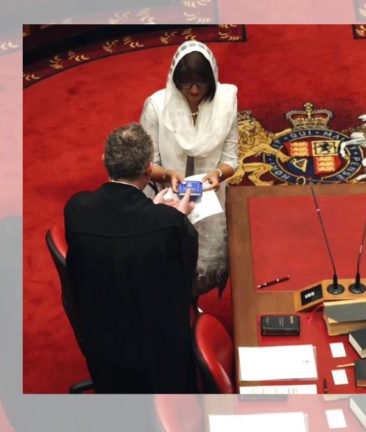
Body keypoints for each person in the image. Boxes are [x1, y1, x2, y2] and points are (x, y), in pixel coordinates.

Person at [64, 123, 199, 393]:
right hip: (156, 350)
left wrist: (154, 211)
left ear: (104, 160)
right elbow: (185, 279)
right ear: (149, 169)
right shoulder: (169, 224)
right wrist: (176, 217)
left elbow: (120, 232)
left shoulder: (76, 208)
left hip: (102, 340)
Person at [140, 40, 237, 296]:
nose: (194, 91)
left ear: (212, 81)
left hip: (209, 199)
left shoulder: (225, 101)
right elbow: (146, 164)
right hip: (165, 196)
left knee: (208, 264)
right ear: (176, 82)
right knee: (166, 263)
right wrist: (168, 174)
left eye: (201, 84)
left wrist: (218, 174)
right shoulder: (157, 105)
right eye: (187, 85)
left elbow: (231, 159)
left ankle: (192, 300)